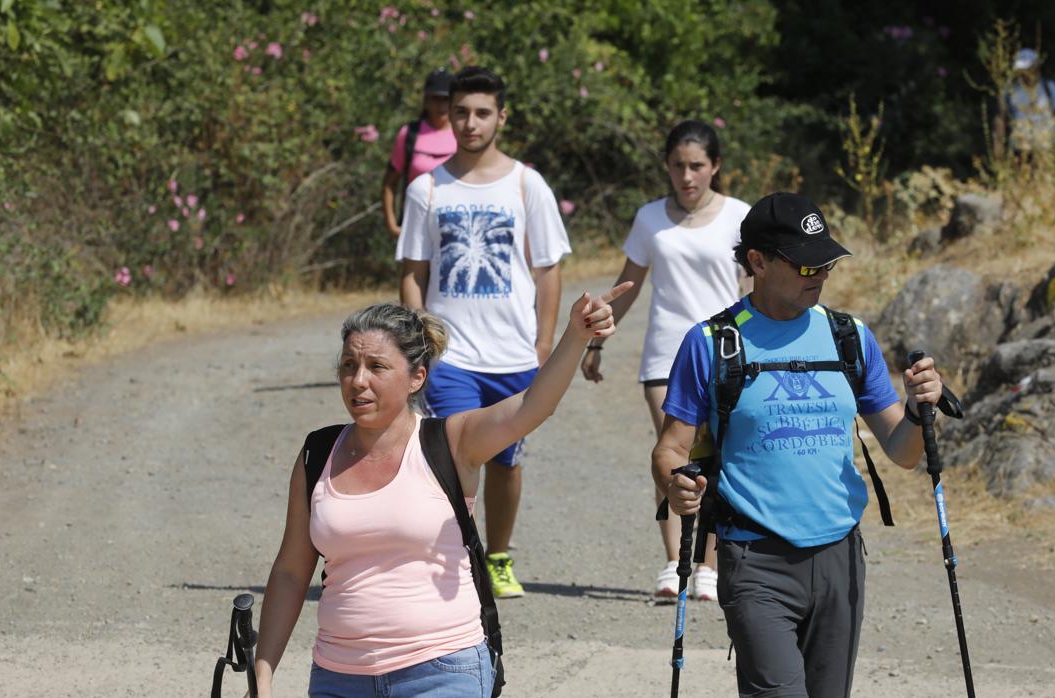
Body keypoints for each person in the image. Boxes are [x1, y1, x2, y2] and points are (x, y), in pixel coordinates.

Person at [253, 285, 630, 697]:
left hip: (442, 670)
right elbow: (291, 572)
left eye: (376, 367)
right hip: (337, 677)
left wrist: (576, 335)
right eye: (348, 364)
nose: (357, 381)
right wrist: (263, 672)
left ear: (417, 377)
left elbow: (533, 406)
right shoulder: (318, 453)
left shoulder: (451, 442)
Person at [652, 192, 943, 697]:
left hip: (840, 557)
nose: (820, 275)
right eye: (806, 265)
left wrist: (921, 409)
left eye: (826, 262)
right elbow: (670, 449)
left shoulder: (849, 337)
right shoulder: (712, 342)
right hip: (753, 559)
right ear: (758, 262)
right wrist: (678, 485)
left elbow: (904, 451)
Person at [397, 66, 572, 599]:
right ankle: (451, 557)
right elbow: (413, 271)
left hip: (513, 354)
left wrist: (542, 345)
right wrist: (421, 342)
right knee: (448, 459)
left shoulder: (527, 184)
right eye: (460, 113)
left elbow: (549, 270)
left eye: (481, 113)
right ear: (448, 115)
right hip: (451, 355)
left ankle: (497, 556)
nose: (470, 123)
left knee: (505, 461)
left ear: (501, 116)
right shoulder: (426, 187)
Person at [579, 119, 750, 601]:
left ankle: (709, 566)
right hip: (666, 353)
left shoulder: (741, 216)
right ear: (667, 168)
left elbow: (761, 287)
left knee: (714, 457)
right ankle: (675, 561)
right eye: (678, 166)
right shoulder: (650, 218)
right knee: (670, 455)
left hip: (724, 350)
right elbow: (627, 285)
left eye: (697, 166)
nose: (688, 176)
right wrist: (596, 341)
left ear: (715, 166)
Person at [381, 68, 458, 238]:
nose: (441, 105)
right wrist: (392, 224)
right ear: (426, 100)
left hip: (456, 231)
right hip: (416, 230)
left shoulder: (463, 134)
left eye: (446, 99)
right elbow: (389, 183)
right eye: (435, 98)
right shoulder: (409, 134)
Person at [1004, 47, 1055, 154]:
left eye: (1028, 69)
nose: (1025, 73)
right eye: (1022, 70)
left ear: (1036, 67)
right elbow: (1002, 117)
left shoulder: (1049, 87)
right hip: (1019, 150)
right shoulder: (1010, 91)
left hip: (1046, 148)